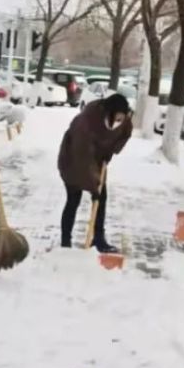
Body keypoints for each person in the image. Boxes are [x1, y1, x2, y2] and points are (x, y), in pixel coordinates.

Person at [57, 92, 133, 252]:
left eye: (122, 118)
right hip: (73, 160)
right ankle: (65, 242)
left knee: (101, 200)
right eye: (117, 117)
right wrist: (94, 185)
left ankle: (98, 238)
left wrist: (111, 150)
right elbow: (83, 157)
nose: (120, 121)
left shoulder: (124, 120)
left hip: (97, 161)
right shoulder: (86, 123)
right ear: (109, 112)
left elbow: (125, 133)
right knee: (73, 200)